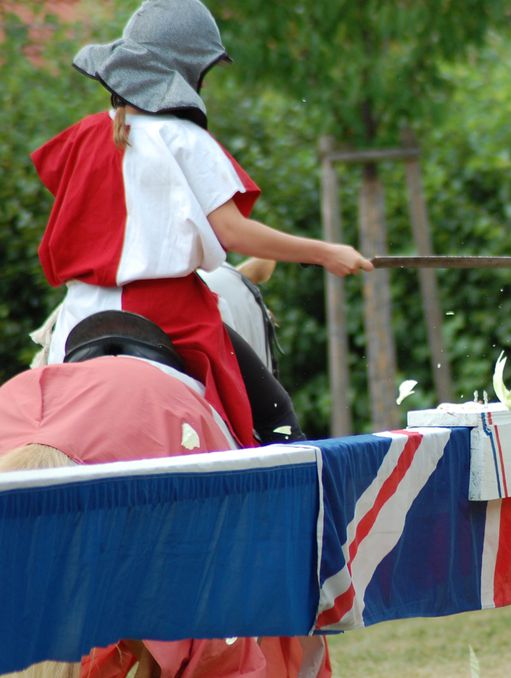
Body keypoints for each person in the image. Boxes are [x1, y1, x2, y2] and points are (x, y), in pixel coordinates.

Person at [30, 0, 373, 448]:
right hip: (170, 318)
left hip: (78, 317)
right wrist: (326, 252)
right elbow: (232, 233)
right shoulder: (185, 139)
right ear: (191, 72)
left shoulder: (81, 136)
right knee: (278, 422)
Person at [0, 357, 331, 678]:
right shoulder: (208, 300)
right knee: (271, 416)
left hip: (70, 343)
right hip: (169, 336)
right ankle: (285, 454)